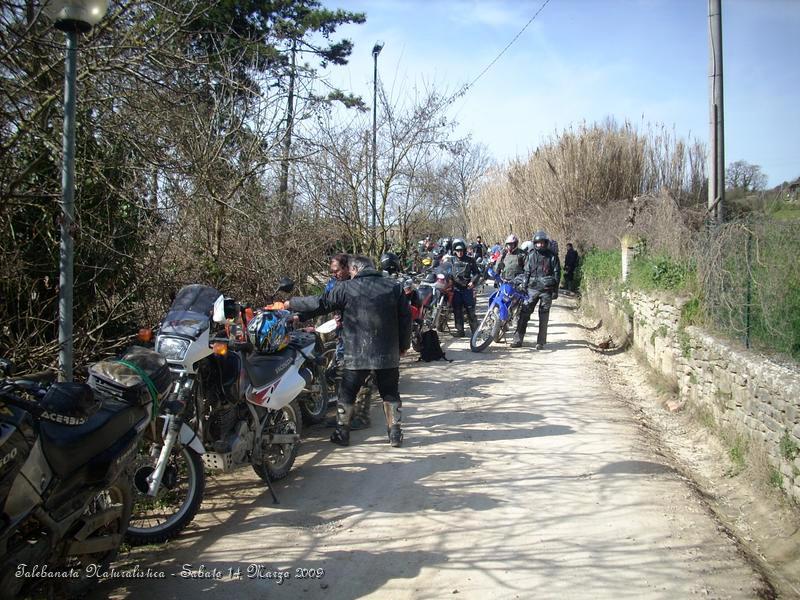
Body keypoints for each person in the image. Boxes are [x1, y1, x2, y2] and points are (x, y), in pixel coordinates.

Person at [287, 256, 411, 447]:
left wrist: (291, 303)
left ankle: (342, 433)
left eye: (351, 272)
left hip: (356, 352)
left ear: (354, 269)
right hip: (387, 352)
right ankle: (395, 434)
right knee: (390, 392)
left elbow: (321, 303)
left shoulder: (346, 288)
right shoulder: (393, 287)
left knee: (347, 393)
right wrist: (403, 345)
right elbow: (405, 319)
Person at [511, 231, 561, 350]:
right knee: (524, 314)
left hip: (546, 290)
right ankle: (518, 339)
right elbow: (527, 272)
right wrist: (524, 285)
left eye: (542, 243)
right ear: (534, 244)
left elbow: (557, 274)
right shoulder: (531, 255)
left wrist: (555, 290)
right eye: (538, 243)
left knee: (543, 317)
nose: (540, 245)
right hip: (531, 289)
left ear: (546, 243)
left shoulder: (552, 256)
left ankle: (541, 342)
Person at [449, 239, 481, 338]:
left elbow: (477, 273)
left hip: (467, 289)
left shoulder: (470, 260)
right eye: (458, 250)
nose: (460, 252)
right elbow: (444, 270)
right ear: (454, 250)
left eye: (461, 250)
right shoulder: (451, 260)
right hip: (456, 289)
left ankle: (475, 332)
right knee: (457, 311)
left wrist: (473, 282)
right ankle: (460, 331)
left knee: (470, 311)